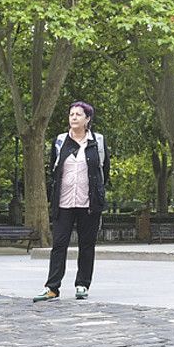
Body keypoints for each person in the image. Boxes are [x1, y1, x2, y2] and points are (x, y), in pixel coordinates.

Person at [34, 102, 109, 302]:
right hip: (64, 201)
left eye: (78, 114)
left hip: (88, 202)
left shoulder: (97, 142)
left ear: (87, 119)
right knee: (59, 244)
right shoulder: (60, 141)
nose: (74, 117)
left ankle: (82, 284)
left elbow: (104, 172)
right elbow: (54, 170)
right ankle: (52, 287)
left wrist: (98, 195)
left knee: (87, 245)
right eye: (71, 114)